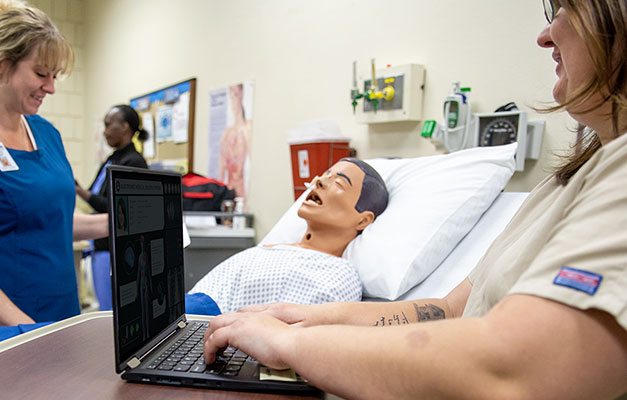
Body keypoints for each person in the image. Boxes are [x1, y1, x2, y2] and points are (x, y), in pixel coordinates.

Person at [203, 2, 627, 398]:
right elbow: (447, 309)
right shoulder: (556, 190)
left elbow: (518, 369)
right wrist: (307, 318)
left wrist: (288, 343)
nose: (545, 35)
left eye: (564, 6)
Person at [0, 0, 107, 325]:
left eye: (55, 75)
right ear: (2, 65)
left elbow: (53, 219)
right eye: (40, 74)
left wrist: (124, 223)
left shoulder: (46, 133)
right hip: (15, 328)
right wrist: (28, 330)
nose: (51, 88)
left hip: (61, 317)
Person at [189, 158, 388, 313]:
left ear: (363, 220)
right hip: (182, 316)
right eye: (325, 174)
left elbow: (295, 338)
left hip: (206, 327)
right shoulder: (275, 247)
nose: (319, 181)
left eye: (339, 183)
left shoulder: (339, 274)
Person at [75, 105, 148, 310]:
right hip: (99, 245)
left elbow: (118, 208)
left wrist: (81, 192)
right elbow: (94, 194)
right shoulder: (112, 158)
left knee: (111, 310)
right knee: (103, 306)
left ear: (124, 127)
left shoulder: (133, 161)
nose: (105, 132)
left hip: (113, 249)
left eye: (108, 125)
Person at [218, 84, 251, 199]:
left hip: (242, 194)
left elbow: (252, 165)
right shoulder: (226, 134)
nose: (233, 101)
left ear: (241, 96)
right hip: (228, 195)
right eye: (231, 96)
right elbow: (221, 172)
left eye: (236, 95)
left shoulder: (247, 129)